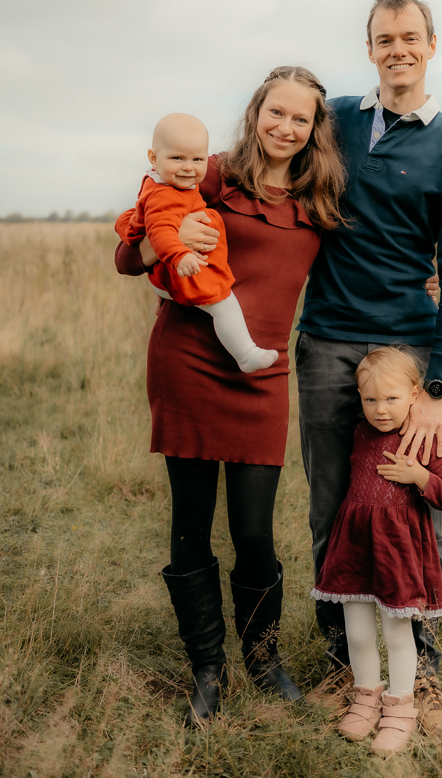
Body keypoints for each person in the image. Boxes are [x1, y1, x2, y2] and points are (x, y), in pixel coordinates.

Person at [114, 66, 345, 728]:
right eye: (276, 112)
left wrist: (426, 281)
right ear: (256, 112)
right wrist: (164, 243)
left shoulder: (321, 196)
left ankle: (265, 661)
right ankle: (207, 669)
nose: (285, 127)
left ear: (314, 128)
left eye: (300, 118)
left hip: (262, 374)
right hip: (188, 362)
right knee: (190, 522)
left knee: (252, 530)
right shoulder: (210, 174)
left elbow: (360, 268)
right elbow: (128, 258)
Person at [297, 0, 442, 736]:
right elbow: (267, 149)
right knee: (331, 507)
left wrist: (437, 385)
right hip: (326, 341)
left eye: (410, 37)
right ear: (369, 49)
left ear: (432, 45)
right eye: (384, 38)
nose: (397, 49)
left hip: (407, 353)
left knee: (410, 507)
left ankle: (422, 676)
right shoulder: (336, 120)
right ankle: (345, 668)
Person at [312, 347, 442, 757]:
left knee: (397, 633)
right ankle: (365, 697)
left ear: (415, 394)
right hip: (356, 546)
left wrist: (419, 476)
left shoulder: (424, 438)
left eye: (391, 398)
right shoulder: (359, 430)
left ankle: (400, 708)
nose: (380, 409)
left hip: (398, 551)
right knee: (358, 632)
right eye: (370, 399)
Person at [116, 112, 278, 373]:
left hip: (173, 267)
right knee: (223, 304)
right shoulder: (165, 196)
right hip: (177, 267)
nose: (189, 167)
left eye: (197, 159)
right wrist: (179, 255)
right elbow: (160, 231)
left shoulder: (169, 184)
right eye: (177, 158)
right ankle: (246, 354)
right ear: (154, 159)